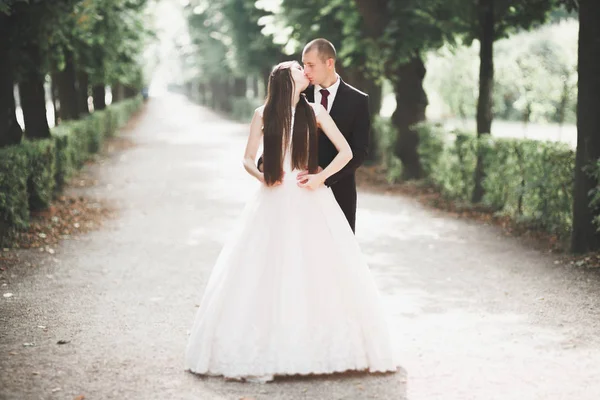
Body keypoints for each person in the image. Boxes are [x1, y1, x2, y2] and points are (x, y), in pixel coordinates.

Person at [184, 61, 396, 383]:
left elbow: (347, 151)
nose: (305, 71)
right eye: (299, 69)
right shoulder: (263, 114)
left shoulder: (315, 113)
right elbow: (246, 157)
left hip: (310, 197)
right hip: (273, 199)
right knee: (265, 267)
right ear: (285, 79)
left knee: (319, 267)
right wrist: (263, 176)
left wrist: (321, 177)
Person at [258, 38, 370, 233]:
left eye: (310, 65)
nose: (305, 71)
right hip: (298, 191)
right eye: (303, 65)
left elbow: (358, 151)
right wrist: (264, 165)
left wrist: (323, 177)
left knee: (339, 252)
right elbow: (279, 133)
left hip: (339, 188)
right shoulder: (299, 92)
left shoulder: (358, 100)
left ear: (329, 63)